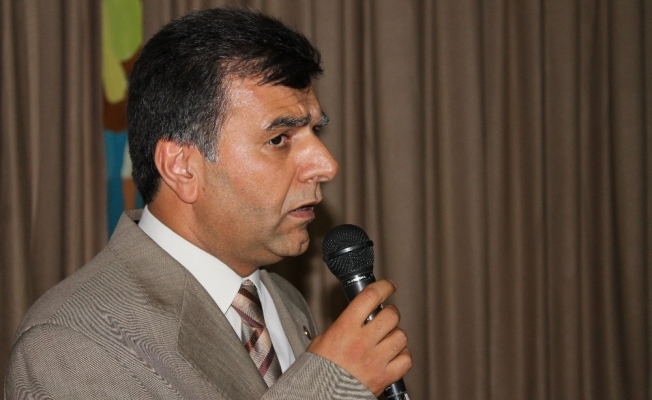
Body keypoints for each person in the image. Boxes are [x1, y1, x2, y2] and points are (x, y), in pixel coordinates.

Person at [5, 7, 411, 399]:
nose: (327, 165)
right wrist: (330, 386)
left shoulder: (281, 298)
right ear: (182, 167)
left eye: (314, 132)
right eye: (279, 139)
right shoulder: (69, 343)